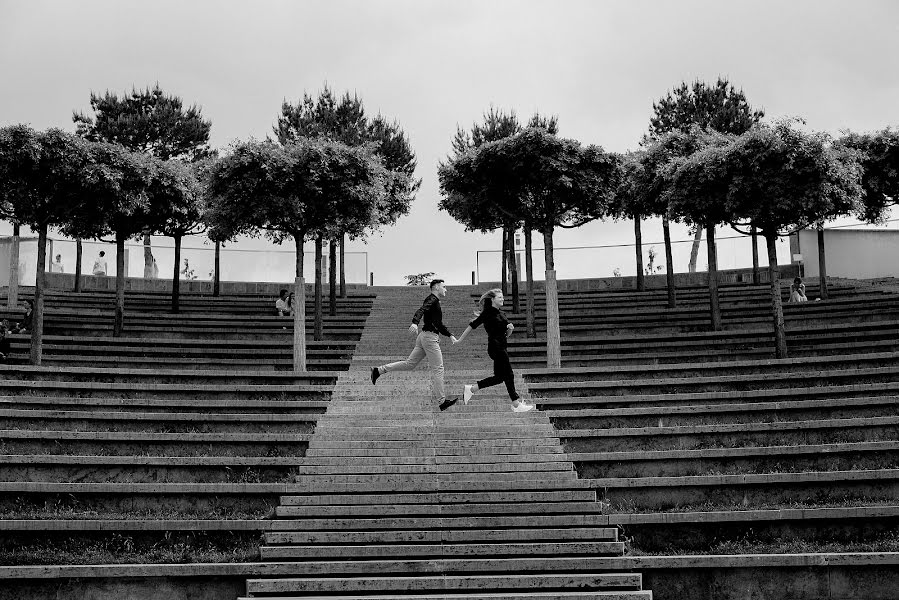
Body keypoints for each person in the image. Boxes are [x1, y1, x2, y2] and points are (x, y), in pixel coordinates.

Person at [371, 279, 458, 411]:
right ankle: (442, 401)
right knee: (438, 369)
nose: (446, 289)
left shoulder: (435, 302)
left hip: (424, 336)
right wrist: (414, 322)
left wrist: (450, 334)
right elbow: (421, 309)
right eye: (444, 287)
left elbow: (438, 324)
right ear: (436, 288)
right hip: (429, 338)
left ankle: (379, 370)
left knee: (409, 364)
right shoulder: (432, 299)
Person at [454, 288, 535, 413]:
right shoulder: (488, 313)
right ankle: (516, 403)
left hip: (502, 346)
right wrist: (459, 340)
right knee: (509, 374)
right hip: (495, 347)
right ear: (492, 299)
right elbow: (472, 326)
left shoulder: (502, 314)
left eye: (502, 297)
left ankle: (472, 389)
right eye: (500, 297)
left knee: (500, 377)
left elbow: (506, 334)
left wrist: (510, 329)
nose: (502, 299)